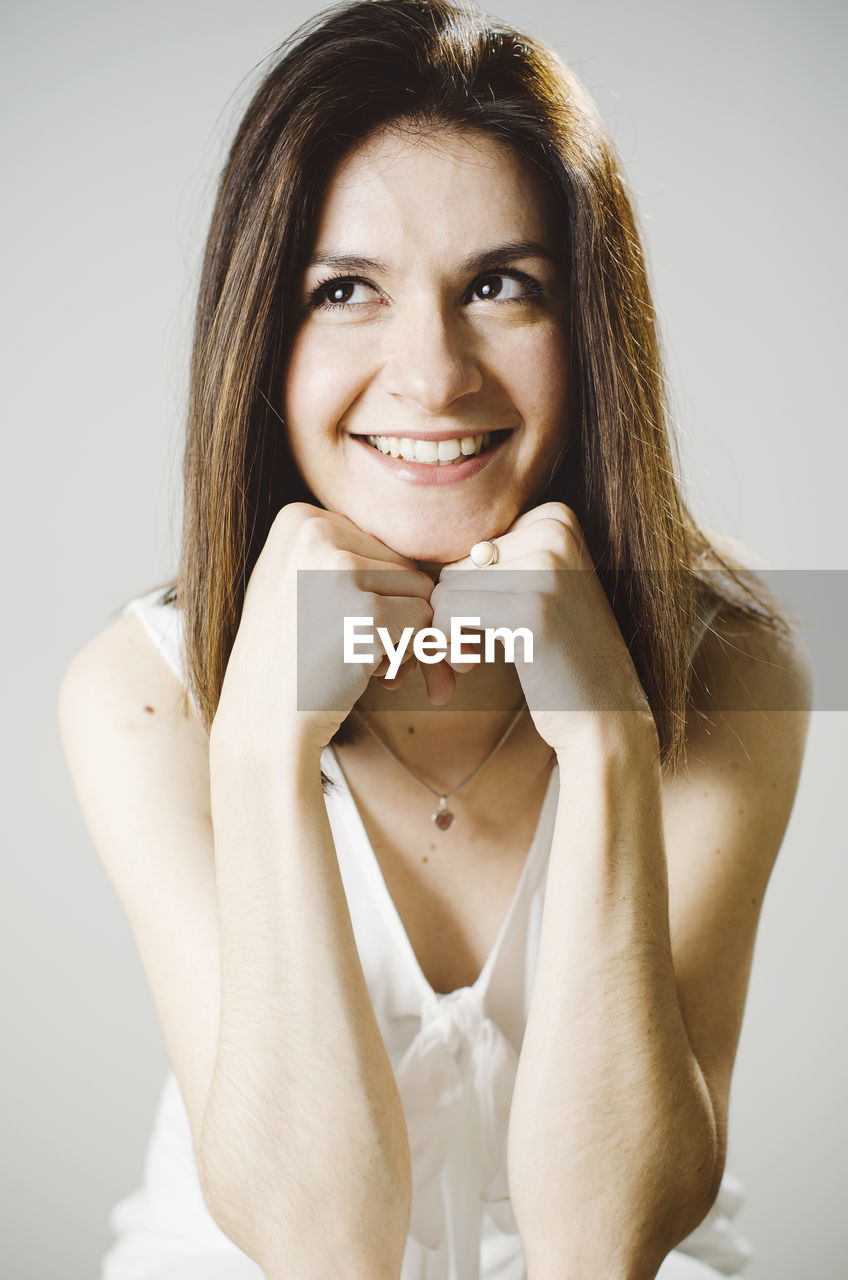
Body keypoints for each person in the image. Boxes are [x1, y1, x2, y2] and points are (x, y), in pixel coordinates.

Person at [57, 2, 812, 1277]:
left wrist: (611, 745)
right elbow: (320, 1249)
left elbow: (604, 1241)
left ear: (587, 332)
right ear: (259, 342)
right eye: (344, 289)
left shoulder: (743, 665)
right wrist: (258, 756)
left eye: (498, 285)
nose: (432, 372)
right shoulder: (134, 689)